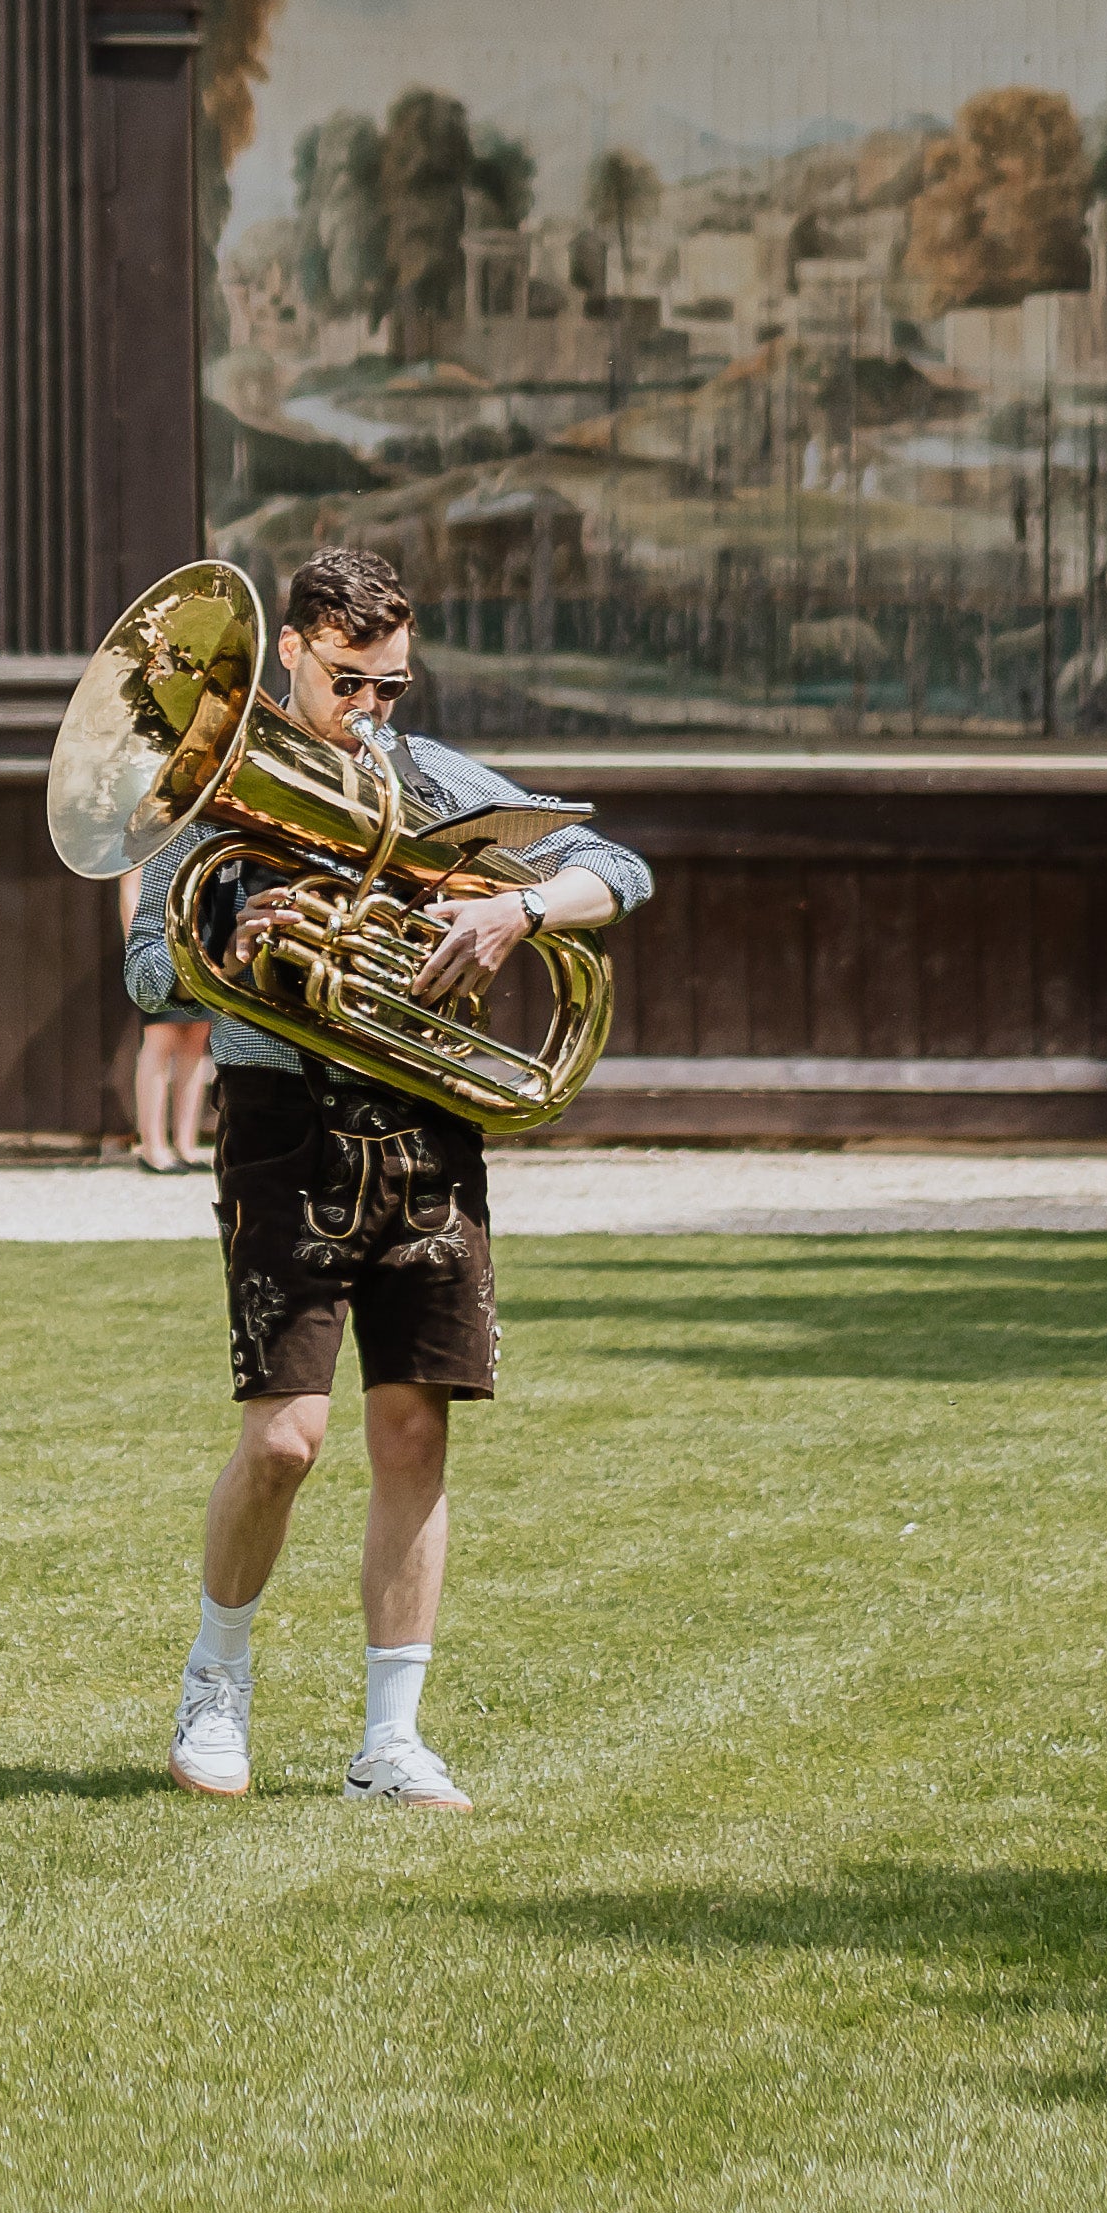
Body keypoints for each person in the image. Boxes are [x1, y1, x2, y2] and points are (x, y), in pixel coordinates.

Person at [143, 536, 651, 1811]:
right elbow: (148, 974)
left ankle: (391, 1738)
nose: (371, 712)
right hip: (285, 1120)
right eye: (350, 682)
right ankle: (217, 1685)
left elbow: (624, 869)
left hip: (423, 1125)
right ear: (291, 655)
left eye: (392, 687)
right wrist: (226, 928)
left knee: (414, 1430)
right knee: (286, 1439)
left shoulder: (434, 780)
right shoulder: (214, 787)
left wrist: (513, 913)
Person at [124, 980, 216, 1174]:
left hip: (201, 953)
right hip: (162, 956)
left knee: (196, 1035)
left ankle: (186, 1145)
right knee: (160, 1034)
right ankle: (153, 1147)